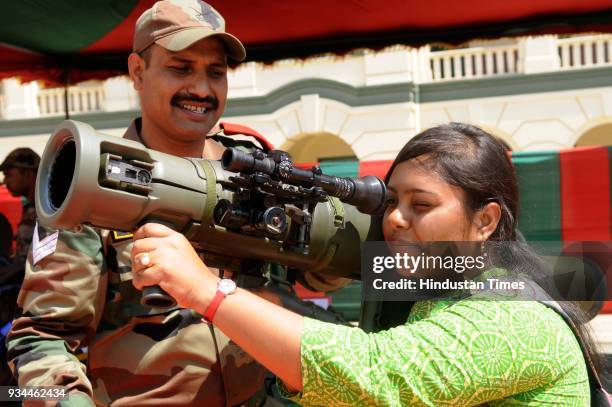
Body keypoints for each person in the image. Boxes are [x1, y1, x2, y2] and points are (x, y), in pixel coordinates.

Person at [7, 1, 345, 405]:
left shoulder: (257, 168)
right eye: (180, 68)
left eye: (215, 73)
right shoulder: (89, 185)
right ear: (137, 71)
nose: (201, 90)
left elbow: (316, 275)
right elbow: (39, 340)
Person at [130, 123, 598, 406]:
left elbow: (375, 374)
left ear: (486, 221)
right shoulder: (441, 300)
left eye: (422, 204)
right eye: (393, 201)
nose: (395, 218)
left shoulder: (513, 317)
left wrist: (208, 292)